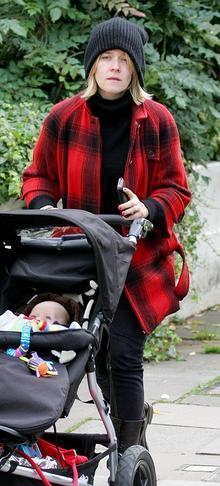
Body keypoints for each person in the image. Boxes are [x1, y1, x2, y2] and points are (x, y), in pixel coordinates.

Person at [21, 17, 191, 457]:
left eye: (123, 60)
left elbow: (175, 187)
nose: (114, 67)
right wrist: (43, 207)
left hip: (135, 257)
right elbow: (37, 177)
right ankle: (49, 434)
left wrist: (149, 208)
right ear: (92, 67)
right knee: (72, 342)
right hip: (74, 250)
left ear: (135, 69)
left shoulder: (156, 120)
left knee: (124, 354)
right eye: (105, 59)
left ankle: (129, 455)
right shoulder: (63, 117)